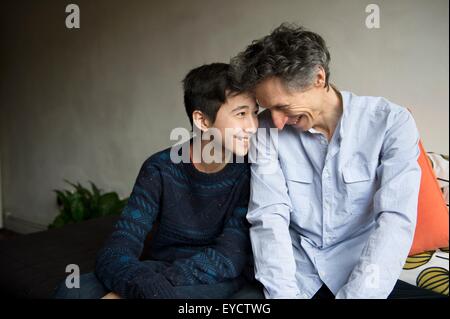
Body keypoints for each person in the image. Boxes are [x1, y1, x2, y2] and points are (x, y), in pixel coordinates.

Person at [230, 23, 445, 299]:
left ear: (318, 78)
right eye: (269, 109)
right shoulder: (265, 130)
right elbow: (269, 217)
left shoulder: (392, 122)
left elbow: (394, 220)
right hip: (295, 275)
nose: (276, 121)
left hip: (360, 276)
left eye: (283, 107)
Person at [53, 63, 260, 299]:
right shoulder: (160, 168)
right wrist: (141, 284)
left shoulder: (251, 173)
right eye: (241, 114)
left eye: (254, 113)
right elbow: (118, 246)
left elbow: (229, 257)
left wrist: (142, 291)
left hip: (219, 277)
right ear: (202, 121)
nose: (253, 126)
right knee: (71, 291)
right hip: (161, 270)